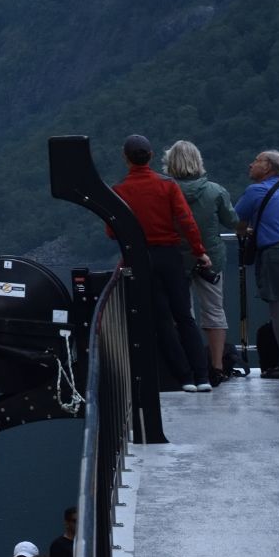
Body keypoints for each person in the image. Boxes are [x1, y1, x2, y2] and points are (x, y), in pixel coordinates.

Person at [106, 134, 211, 392]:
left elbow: (111, 232)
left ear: (125, 158)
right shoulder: (167, 185)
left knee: (162, 319)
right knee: (184, 316)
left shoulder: (119, 191)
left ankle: (184, 378)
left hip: (140, 258)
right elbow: (187, 222)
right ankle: (203, 377)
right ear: (151, 156)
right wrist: (200, 252)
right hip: (170, 255)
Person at [164, 140, 240, 385]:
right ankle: (216, 368)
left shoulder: (164, 190)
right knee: (214, 311)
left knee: (183, 315)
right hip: (210, 259)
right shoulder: (216, 191)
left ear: (170, 162)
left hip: (175, 259)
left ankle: (190, 367)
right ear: (198, 161)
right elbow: (232, 221)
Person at [234, 150, 279, 377]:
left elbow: (235, 220)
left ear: (268, 167)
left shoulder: (255, 191)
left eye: (256, 161)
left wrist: (246, 231)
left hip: (277, 254)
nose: (250, 164)